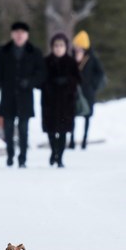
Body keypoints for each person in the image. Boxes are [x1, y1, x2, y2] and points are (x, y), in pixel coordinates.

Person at [0, 22, 45, 168]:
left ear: (27, 35)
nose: (19, 35)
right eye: (17, 32)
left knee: (23, 128)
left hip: (25, 96)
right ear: (12, 34)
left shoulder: (35, 52)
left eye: (22, 33)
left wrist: (30, 82)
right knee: (7, 127)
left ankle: (23, 157)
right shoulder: (3, 51)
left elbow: (41, 74)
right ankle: (10, 154)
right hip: (8, 95)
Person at [41, 33, 81, 168]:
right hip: (49, 102)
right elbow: (40, 80)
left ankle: (60, 157)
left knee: (63, 131)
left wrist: (67, 82)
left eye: (61, 45)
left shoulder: (71, 62)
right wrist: (50, 84)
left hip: (66, 103)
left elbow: (78, 80)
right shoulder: (46, 61)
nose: (58, 48)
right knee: (51, 130)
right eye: (56, 45)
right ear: (52, 47)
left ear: (66, 47)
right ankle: (54, 151)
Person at [70, 30, 106, 149]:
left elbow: (100, 73)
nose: (78, 48)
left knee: (87, 116)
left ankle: (85, 140)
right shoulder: (71, 58)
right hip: (74, 92)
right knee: (72, 115)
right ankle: (71, 140)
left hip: (87, 92)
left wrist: (92, 85)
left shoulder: (92, 59)